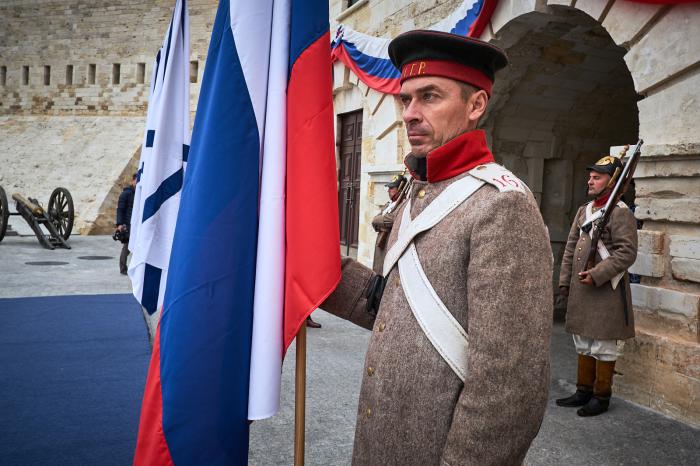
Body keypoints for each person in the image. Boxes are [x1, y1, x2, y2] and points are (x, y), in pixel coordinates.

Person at [320, 30, 553, 465]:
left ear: (476, 105)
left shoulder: (501, 205)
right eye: (405, 99)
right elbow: (392, 309)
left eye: (429, 97)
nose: (410, 113)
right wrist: (310, 266)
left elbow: (509, 388)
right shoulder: (417, 189)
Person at [556, 155, 638, 416]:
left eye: (597, 177)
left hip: (605, 290)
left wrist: (598, 274)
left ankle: (601, 396)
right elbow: (571, 247)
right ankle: (583, 391)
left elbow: (626, 252)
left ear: (611, 181)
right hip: (582, 287)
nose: (590, 181)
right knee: (582, 340)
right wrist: (565, 280)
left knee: (602, 345)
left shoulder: (621, 212)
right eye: (590, 176)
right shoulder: (585, 210)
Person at [371, 175, 407, 274]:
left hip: (389, 243)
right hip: (381, 241)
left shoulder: (403, 204)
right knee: (377, 270)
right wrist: (381, 222)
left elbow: (392, 219)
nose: (388, 191)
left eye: (392, 188)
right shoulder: (388, 204)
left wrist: (380, 221)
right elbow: (375, 221)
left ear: (400, 189)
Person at [116, 173, 136, 275]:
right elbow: (120, 209)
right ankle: (123, 268)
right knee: (127, 247)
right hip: (128, 225)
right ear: (133, 181)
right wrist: (119, 224)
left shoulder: (138, 193)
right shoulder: (126, 194)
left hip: (136, 224)